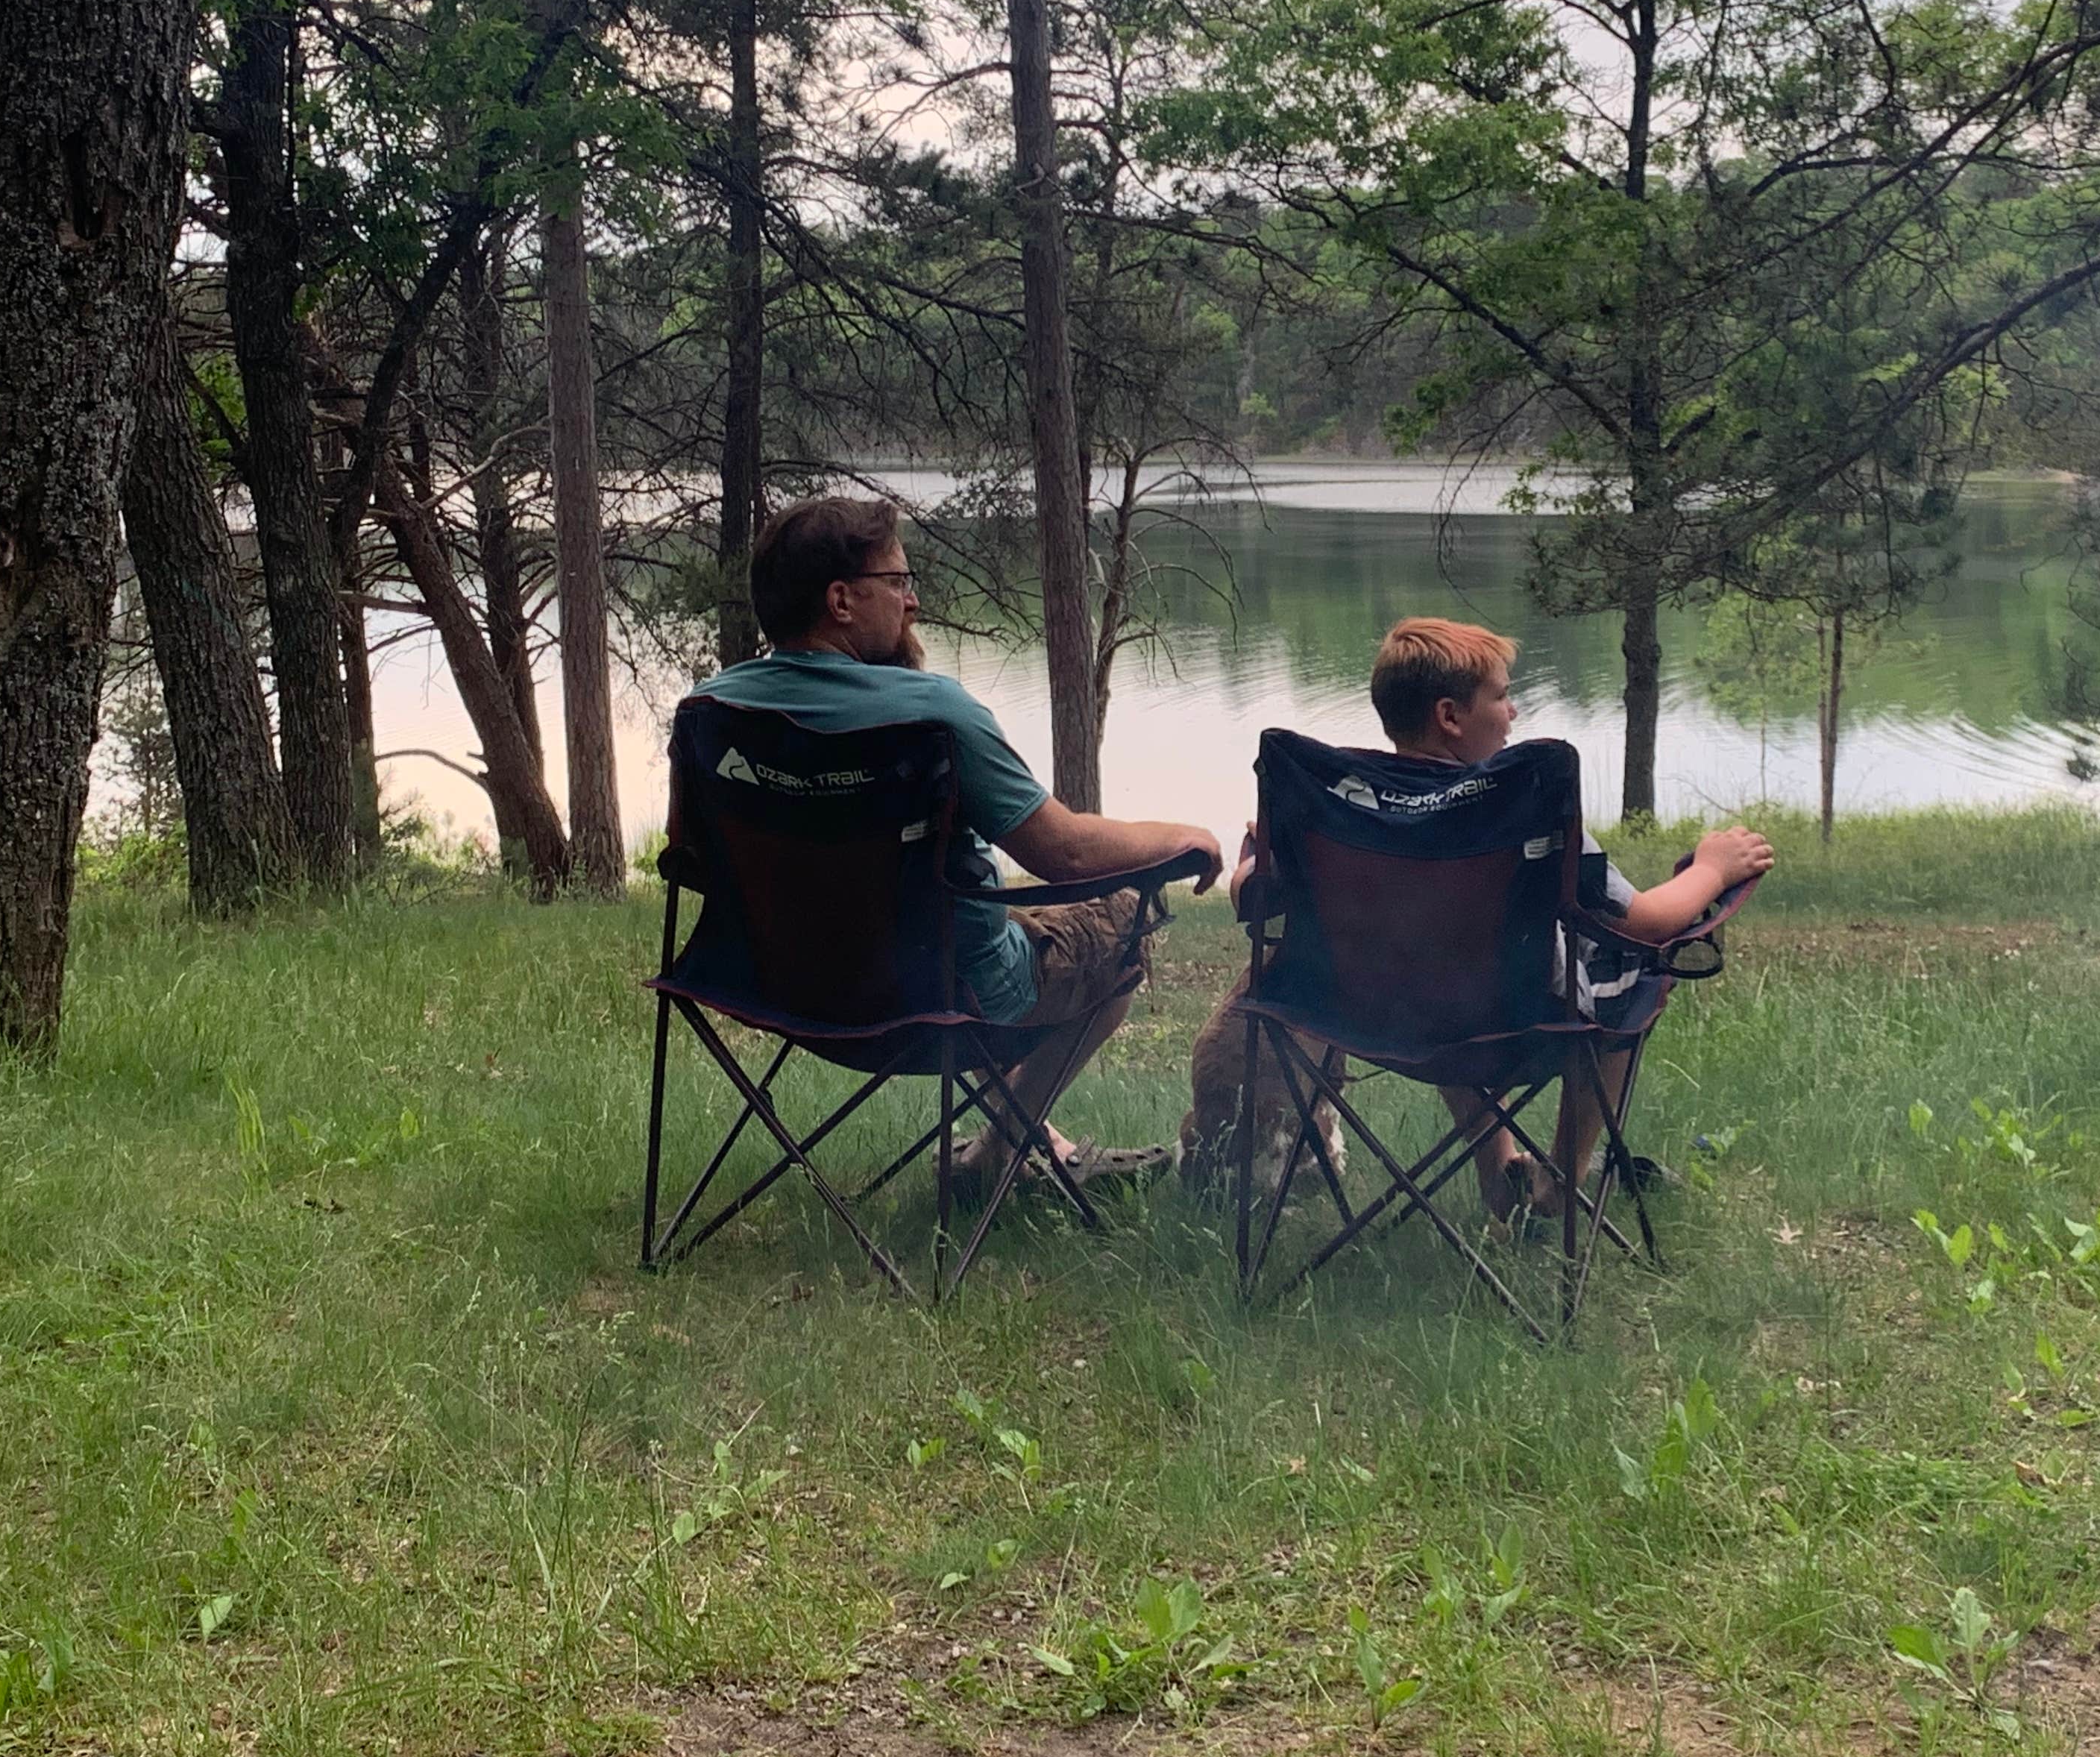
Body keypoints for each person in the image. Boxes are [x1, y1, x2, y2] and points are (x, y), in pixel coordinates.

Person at [692, 495, 1222, 1185]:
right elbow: (1064, 853)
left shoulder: (709, 712)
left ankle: (1032, 1143)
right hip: (941, 996)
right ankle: (996, 1154)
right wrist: (1183, 837)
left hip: (779, 990)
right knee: (1121, 929)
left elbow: (695, 861)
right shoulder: (934, 716)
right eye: (899, 583)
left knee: (1016, 924)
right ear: (842, 600)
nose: (912, 603)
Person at [1180, 617, 1772, 1219]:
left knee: (1435, 967)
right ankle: (1559, 1187)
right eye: (1502, 695)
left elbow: (1249, 901)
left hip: (1370, 1019)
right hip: (1515, 1026)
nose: (1513, 712)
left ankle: (1500, 1174)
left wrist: (1261, 854)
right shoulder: (1523, 811)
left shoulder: (1333, 809)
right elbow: (1646, 922)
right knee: (1632, 980)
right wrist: (1714, 868)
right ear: (1450, 717)